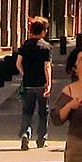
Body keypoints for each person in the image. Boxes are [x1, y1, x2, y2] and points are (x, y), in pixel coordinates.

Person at [15, 17, 53, 150]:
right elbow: (47, 66)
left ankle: (25, 133)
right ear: (43, 31)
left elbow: (18, 63)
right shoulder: (46, 47)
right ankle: (41, 138)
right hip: (41, 84)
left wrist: (25, 73)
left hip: (28, 84)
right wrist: (49, 82)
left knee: (27, 111)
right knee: (43, 112)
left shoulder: (25, 45)